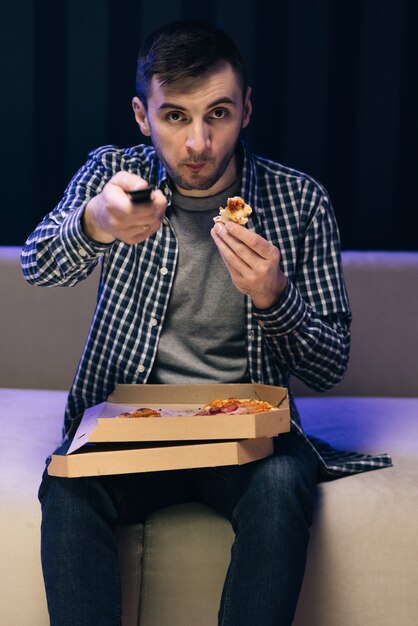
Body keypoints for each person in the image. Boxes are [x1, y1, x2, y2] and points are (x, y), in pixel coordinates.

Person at [21, 19, 388, 626]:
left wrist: (275, 297)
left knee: (280, 484)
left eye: (217, 114)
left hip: (245, 432)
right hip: (131, 425)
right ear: (144, 116)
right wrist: (95, 225)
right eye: (175, 117)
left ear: (246, 109)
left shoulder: (300, 202)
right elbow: (35, 266)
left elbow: (329, 366)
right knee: (68, 483)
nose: (197, 143)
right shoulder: (117, 178)